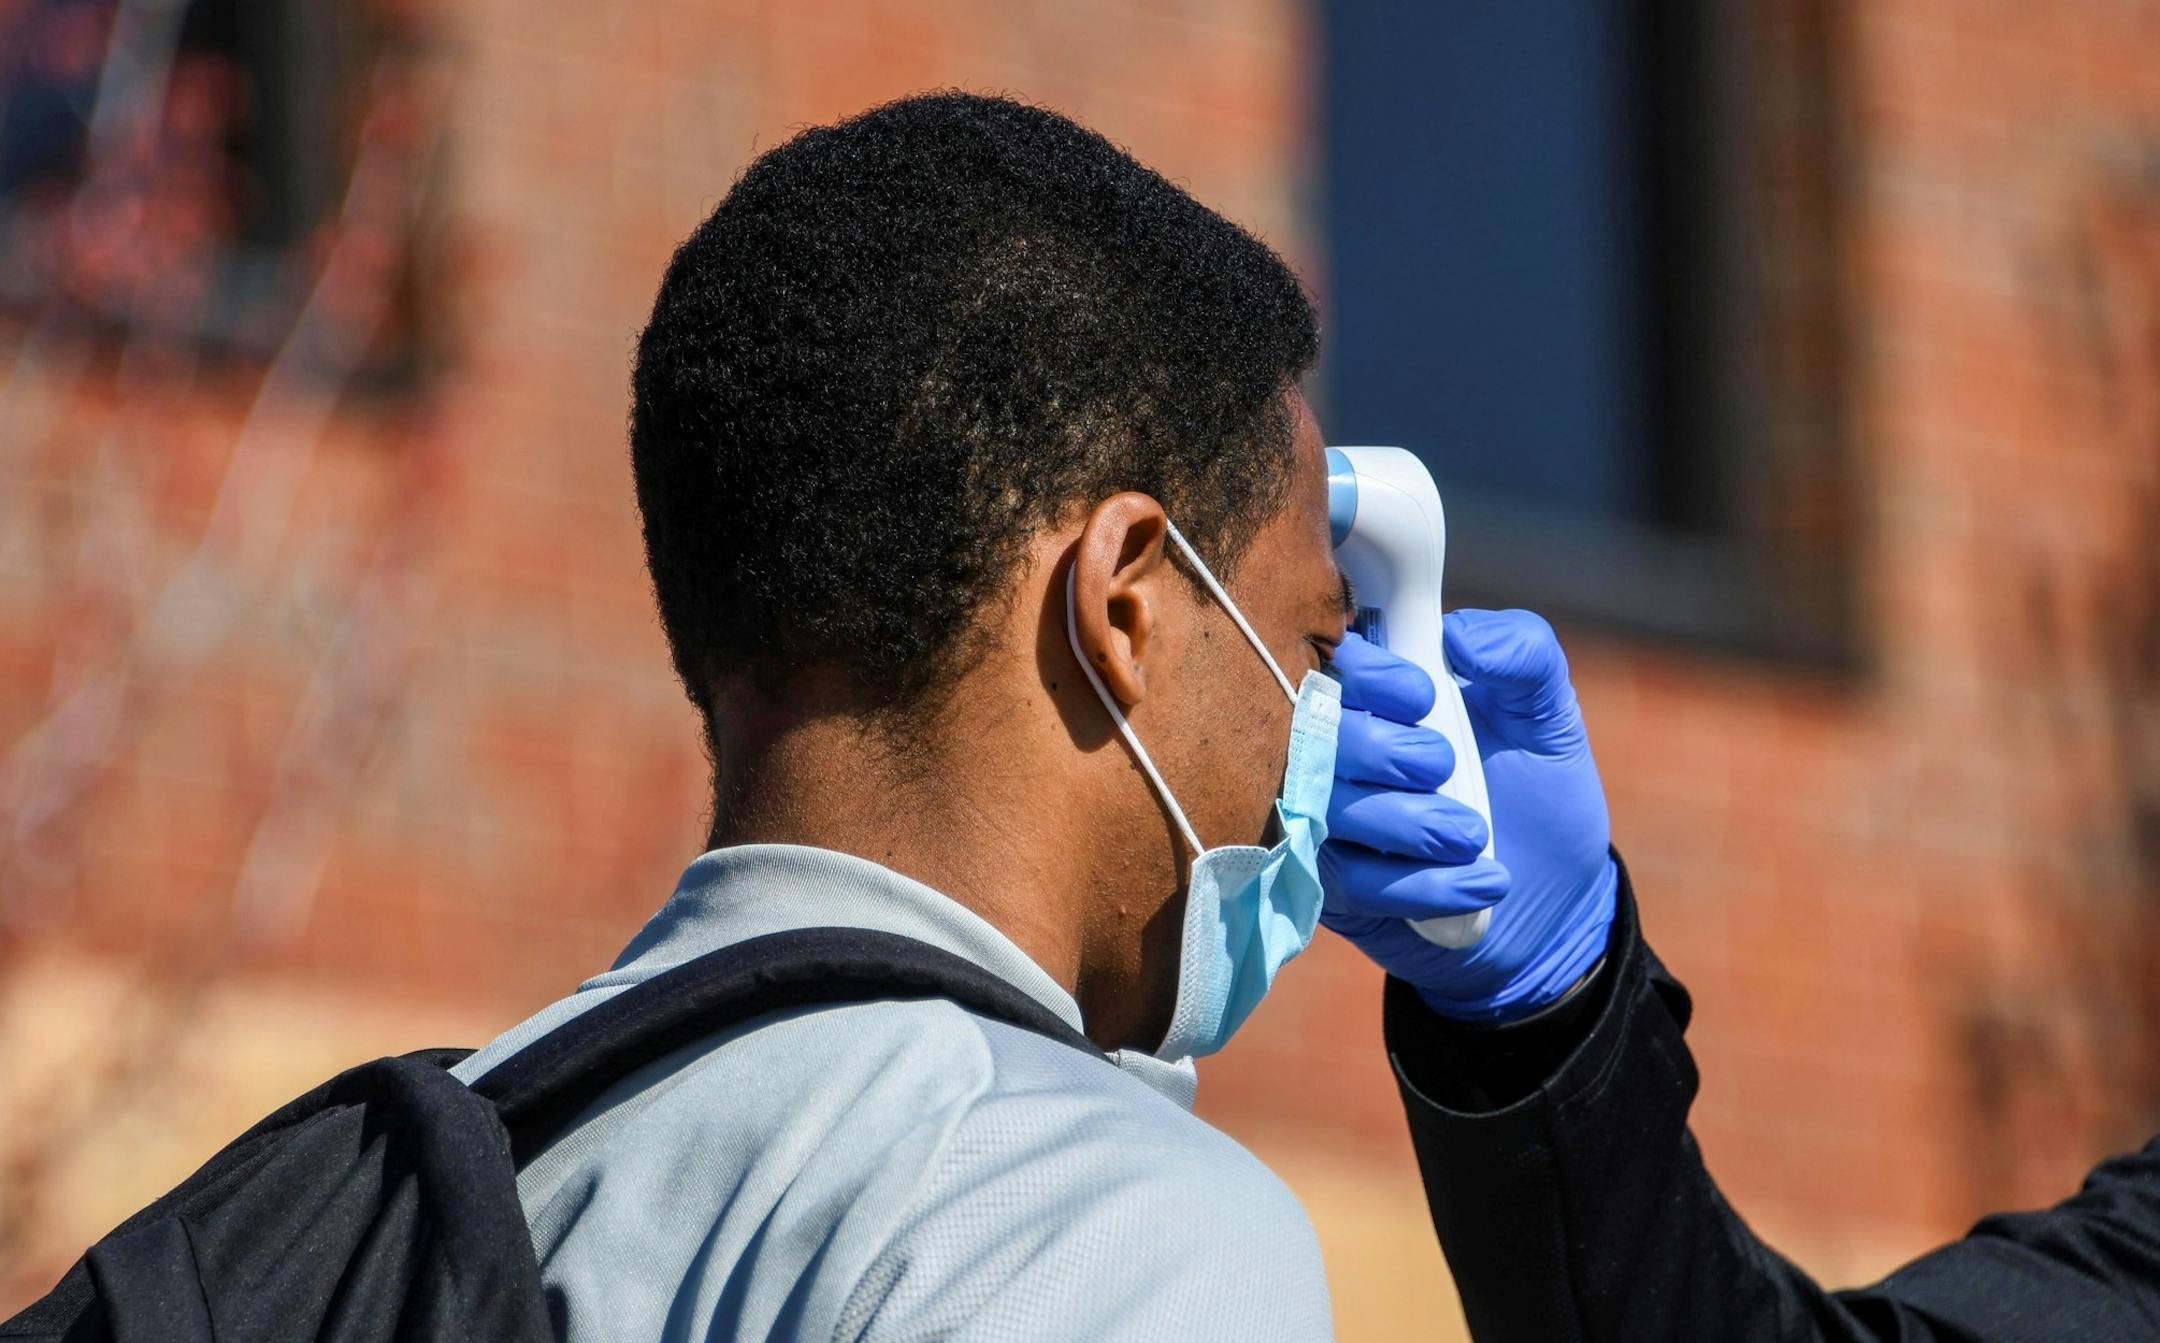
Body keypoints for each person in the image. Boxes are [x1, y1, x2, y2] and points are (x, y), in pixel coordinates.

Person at [456, 90, 2160, 1343]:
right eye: (1312, 639)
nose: (1325, 718)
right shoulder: (1108, 1226)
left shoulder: (413, 1177)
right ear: (1126, 604)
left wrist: (1556, 1031)